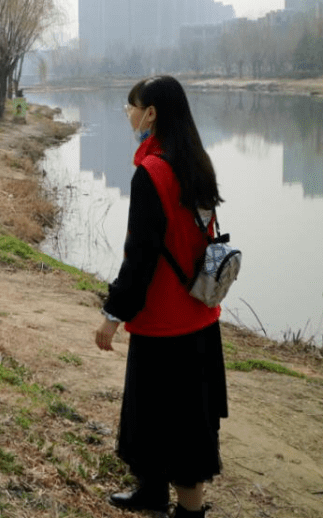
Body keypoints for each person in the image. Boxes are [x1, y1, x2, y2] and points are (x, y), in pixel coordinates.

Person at [95, 75, 228, 518]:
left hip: (163, 321)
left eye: (131, 107)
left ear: (150, 113)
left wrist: (114, 313)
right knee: (187, 423)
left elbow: (141, 255)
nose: (128, 115)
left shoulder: (151, 172)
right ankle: (157, 496)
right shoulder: (197, 162)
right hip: (200, 316)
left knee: (158, 416)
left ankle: (171, 503)